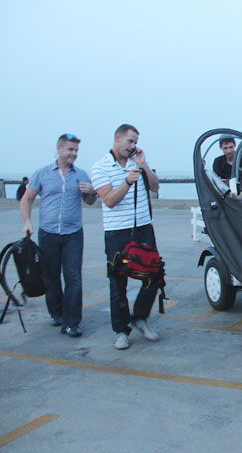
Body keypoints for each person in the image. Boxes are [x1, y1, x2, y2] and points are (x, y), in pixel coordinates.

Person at [91, 124, 161, 350]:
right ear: (117, 138)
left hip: (143, 228)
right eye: (130, 141)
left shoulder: (136, 163)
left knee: (155, 273)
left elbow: (155, 187)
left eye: (135, 142)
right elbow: (109, 200)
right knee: (118, 282)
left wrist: (143, 166)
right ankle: (121, 331)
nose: (133, 146)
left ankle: (140, 317)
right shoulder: (100, 167)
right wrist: (128, 181)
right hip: (117, 232)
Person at [20, 134, 97, 337]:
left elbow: (90, 201)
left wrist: (92, 191)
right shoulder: (43, 173)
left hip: (73, 235)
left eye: (76, 150)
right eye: (70, 150)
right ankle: (56, 313)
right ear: (59, 149)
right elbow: (26, 199)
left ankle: (72, 322)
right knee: (52, 278)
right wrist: (27, 222)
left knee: (73, 278)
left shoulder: (81, 174)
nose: (74, 154)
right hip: (48, 235)